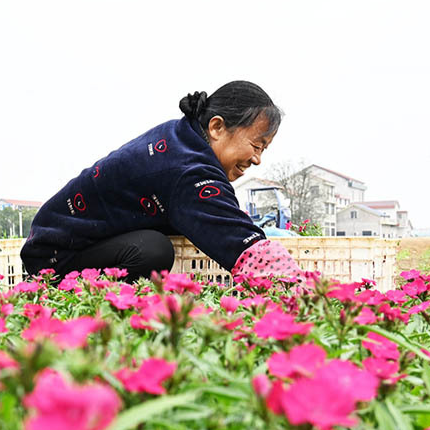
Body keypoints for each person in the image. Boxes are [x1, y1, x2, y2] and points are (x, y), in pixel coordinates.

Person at [20, 80, 301, 282]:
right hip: (54, 259)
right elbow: (240, 243)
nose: (257, 159)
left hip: (65, 243)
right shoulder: (190, 170)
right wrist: (307, 292)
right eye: (256, 145)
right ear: (217, 127)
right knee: (152, 251)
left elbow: (222, 217)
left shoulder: (182, 138)